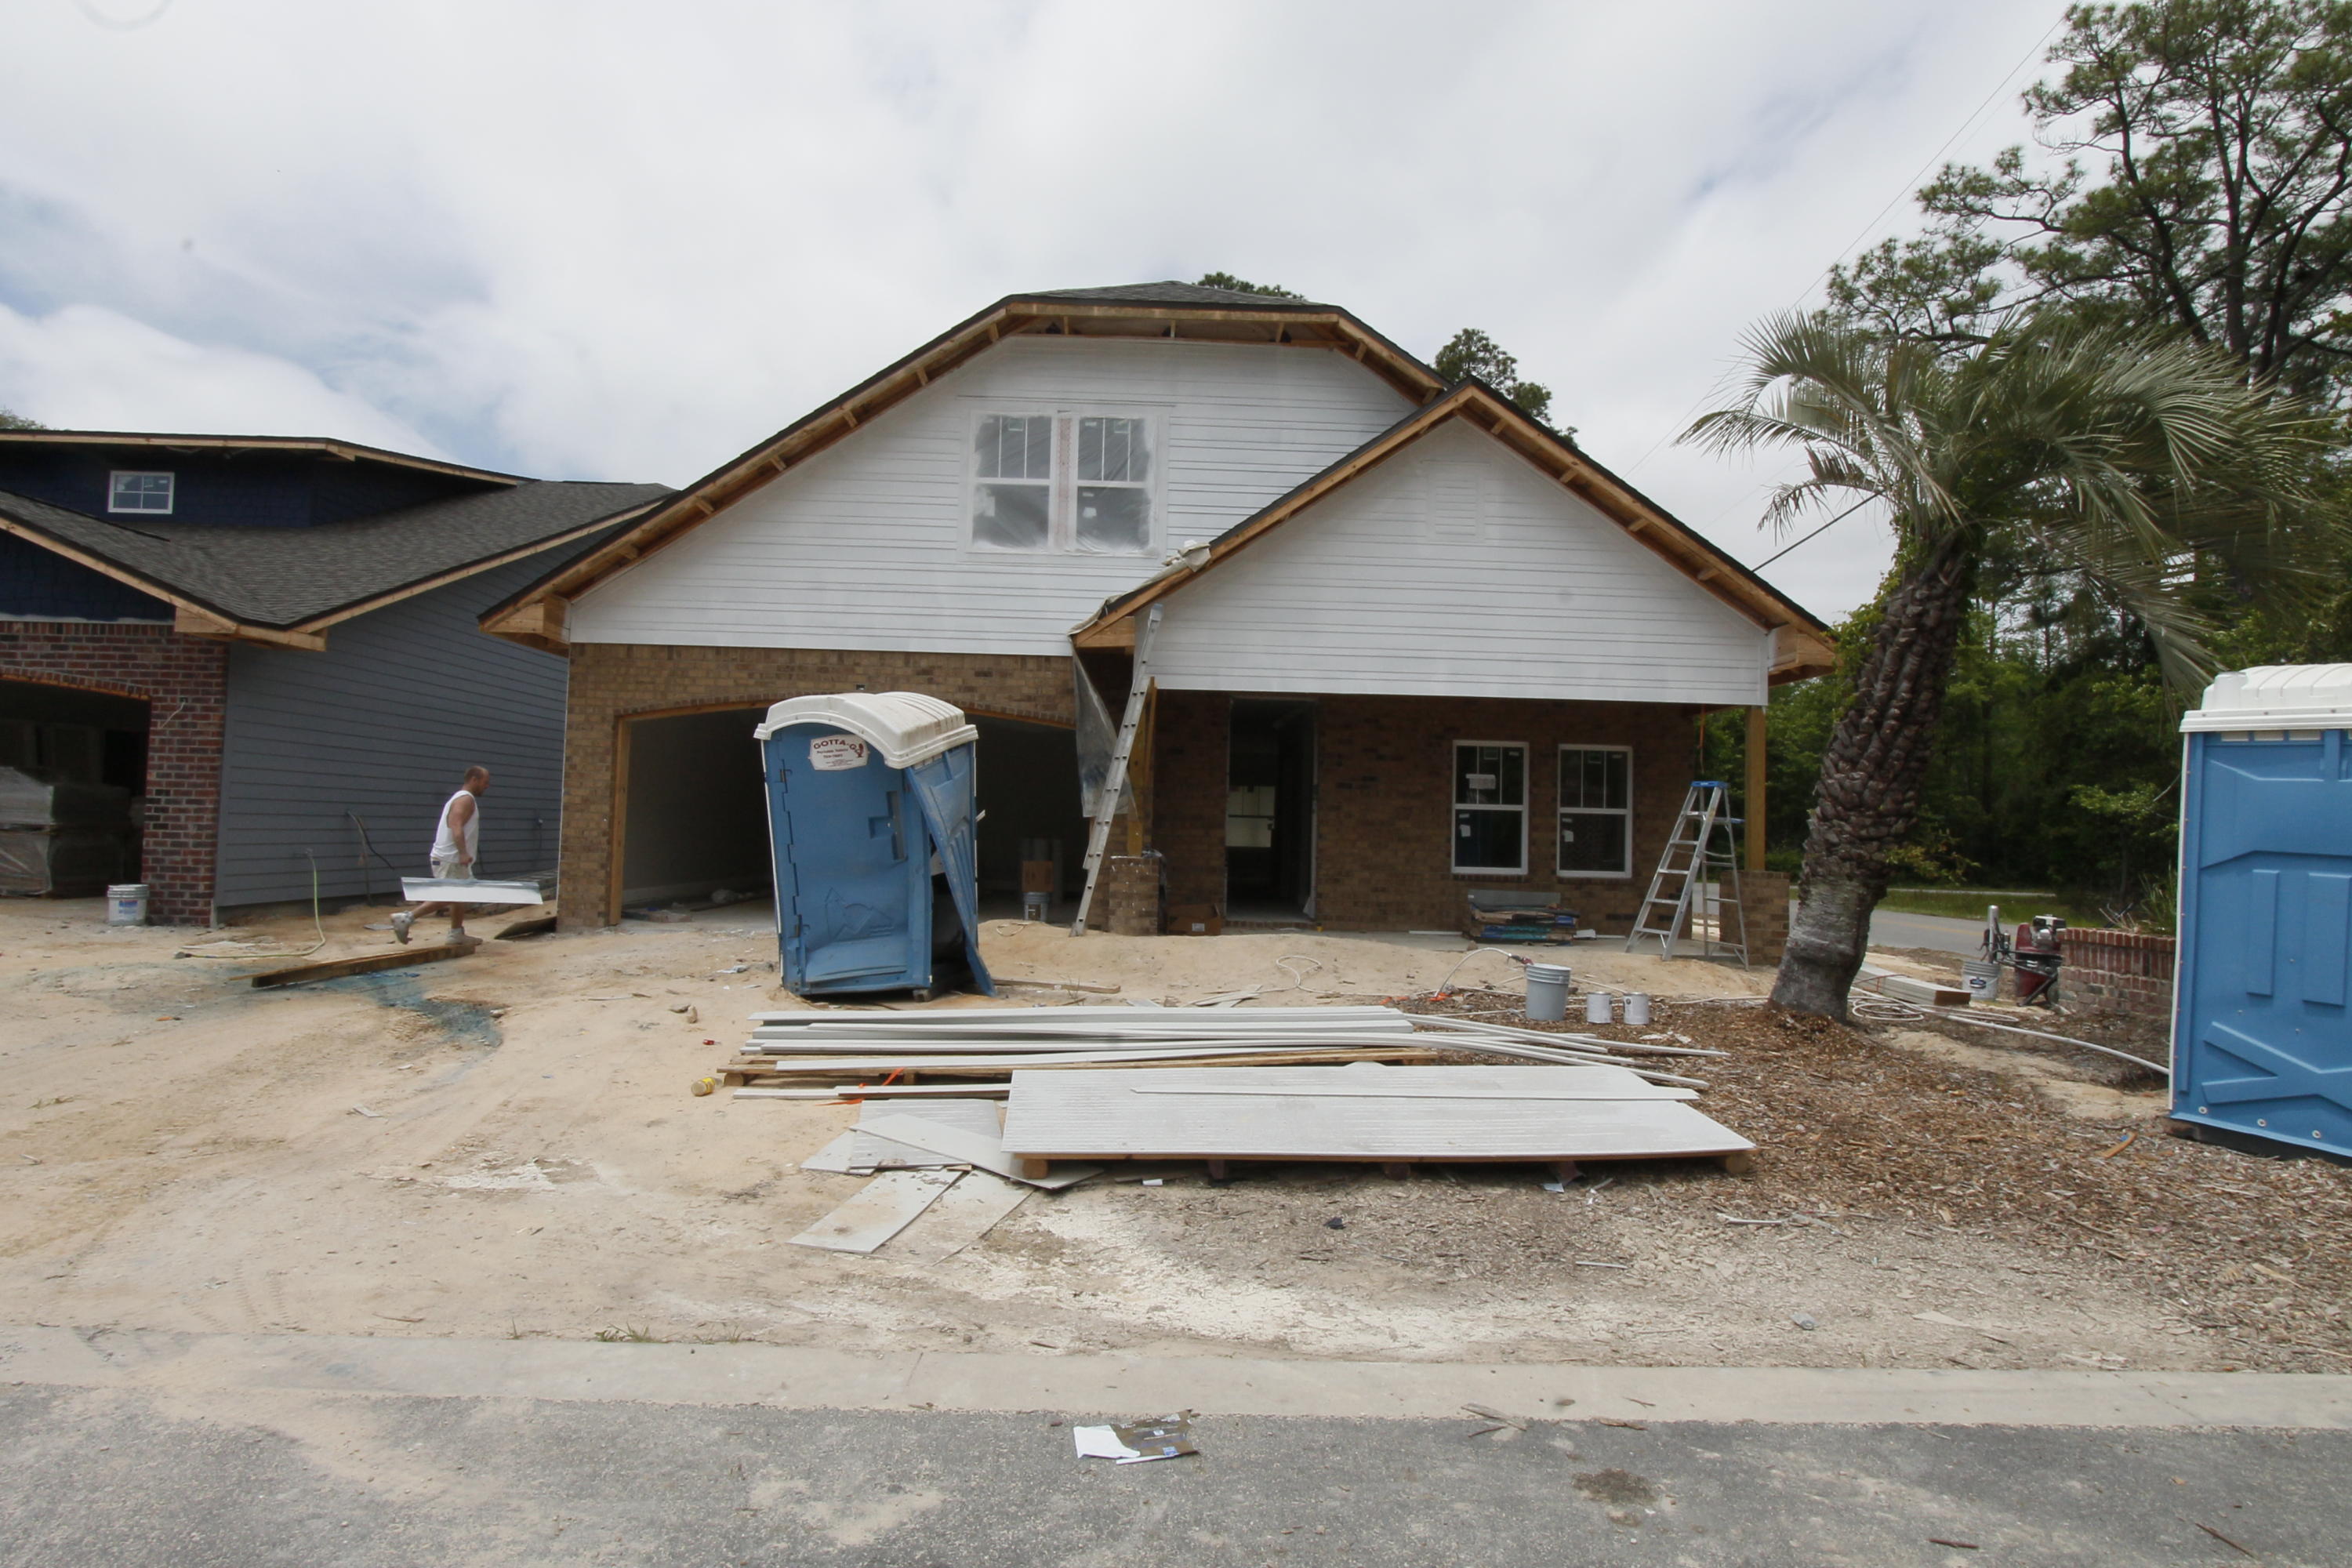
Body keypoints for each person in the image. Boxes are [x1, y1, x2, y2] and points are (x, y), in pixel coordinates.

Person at [391, 766, 488, 944]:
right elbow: (456, 826)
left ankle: (456, 934)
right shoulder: (465, 799)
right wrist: (463, 853)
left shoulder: (463, 799)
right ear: (474, 779)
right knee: (453, 894)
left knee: (461, 895)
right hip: (450, 858)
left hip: (450, 858)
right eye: (485, 782)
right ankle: (407, 918)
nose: (487, 786)